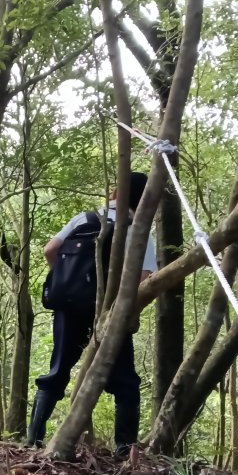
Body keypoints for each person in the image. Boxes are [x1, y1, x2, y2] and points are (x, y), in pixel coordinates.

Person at [26, 171, 156, 457]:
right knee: (125, 382)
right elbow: (144, 280)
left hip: (70, 306)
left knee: (57, 371)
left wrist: (70, 281)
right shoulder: (139, 228)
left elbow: (51, 249)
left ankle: (33, 441)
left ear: (116, 193)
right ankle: (125, 450)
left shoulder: (85, 218)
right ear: (146, 199)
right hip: (111, 313)